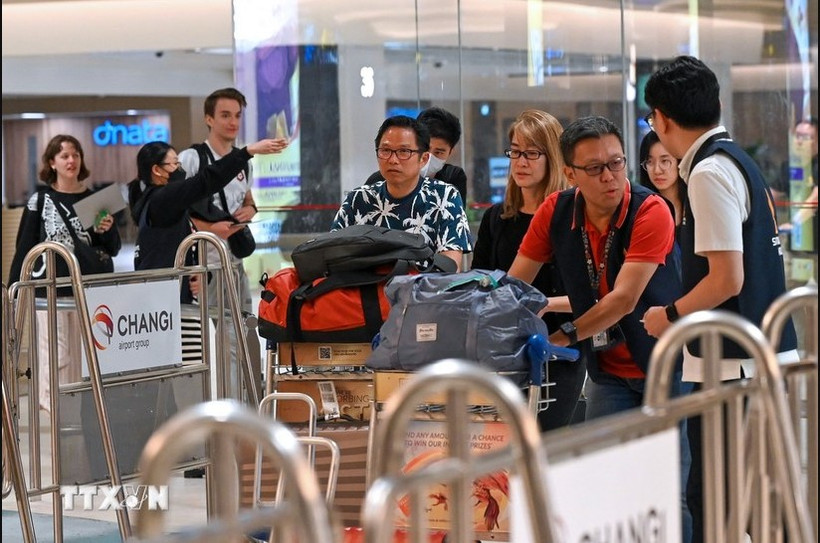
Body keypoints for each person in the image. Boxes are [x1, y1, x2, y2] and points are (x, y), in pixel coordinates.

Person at [641, 55, 798, 543]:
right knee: (749, 502)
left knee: (716, 501)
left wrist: (669, 315)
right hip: (756, 354)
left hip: (733, 364)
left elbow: (727, 278)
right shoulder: (737, 161)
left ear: (662, 120)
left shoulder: (709, 172)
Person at [508, 115, 682, 420]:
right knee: (601, 450)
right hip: (606, 370)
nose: (609, 176)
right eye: (594, 168)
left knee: (666, 452)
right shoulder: (556, 210)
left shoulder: (650, 210)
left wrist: (563, 336)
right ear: (570, 174)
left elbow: (624, 299)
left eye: (616, 163)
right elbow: (514, 286)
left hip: (665, 365)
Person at [471, 109, 585, 431]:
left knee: (544, 441)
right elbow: (481, 284)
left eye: (532, 153)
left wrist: (543, 305)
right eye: (515, 152)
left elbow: (590, 296)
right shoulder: (497, 218)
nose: (520, 162)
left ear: (553, 157)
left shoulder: (572, 219)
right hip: (502, 351)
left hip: (559, 348)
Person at [8, 134, 121, 412]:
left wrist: (108, 229)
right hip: (50, 289)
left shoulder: (93, 199)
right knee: (55, 352)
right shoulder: (41, 200)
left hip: (84, 289)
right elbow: (25, 246)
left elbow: (112, 248)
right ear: (52, 162)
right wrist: (14, 289)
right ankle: (52, 407)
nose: (71, 161)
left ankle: (72, 411)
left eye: (76, 155)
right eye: (64, 156)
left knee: (82, 353)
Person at [128, 138, 287, 304]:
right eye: (174, 164)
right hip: (163, 298)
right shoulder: (162, 199)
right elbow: (207, 180)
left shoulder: (153, 201)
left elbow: (175, 242)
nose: (179, 169)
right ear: (157, 170)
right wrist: (247, 152)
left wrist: (194, 273)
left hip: (165, 292)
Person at [178, 87, 286, 313]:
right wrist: (210, 228)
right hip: (203, 263)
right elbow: (176, 209)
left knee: (242, 323)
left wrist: (251, 209)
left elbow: (248, 198)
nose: (233, 122)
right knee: (208, 327)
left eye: (237, 115)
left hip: (235, 259)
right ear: (209, 119)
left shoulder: (244, 163)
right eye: (225, 115)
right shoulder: (191, 159)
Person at [638, 129, 694, 543]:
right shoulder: (642, 213)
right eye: (650, 162)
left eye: (665, 161)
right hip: (646, 341)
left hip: (686, 343)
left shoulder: (696, 211)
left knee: (681, 466)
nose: (658, 170)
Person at [331, 115, 472, 270]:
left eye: (404, 151)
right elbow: (333, 256)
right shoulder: (357, 199)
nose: (393, 160)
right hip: (365, 285)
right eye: (385, 150)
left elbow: (450, 267)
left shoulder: (445, 197)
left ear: (424, 159)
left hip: (424, 285)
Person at [365, 107, 468, 203]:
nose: (428, 157)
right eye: (426, 149)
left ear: (450, 152)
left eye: (438, 152)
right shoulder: (378, 182)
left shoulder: (452, 181)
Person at [778, 117, 818, 236]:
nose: (799, 142)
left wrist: (794, 223)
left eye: (805, 137)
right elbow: (770, 195)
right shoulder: (789, 166)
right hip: (796, 239)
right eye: (797, 136)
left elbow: (815, 200)